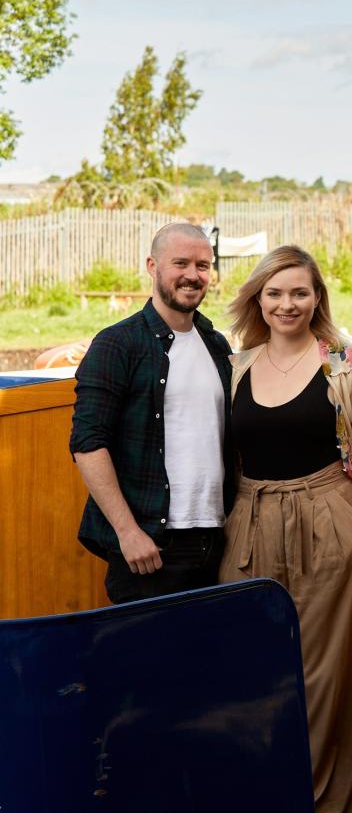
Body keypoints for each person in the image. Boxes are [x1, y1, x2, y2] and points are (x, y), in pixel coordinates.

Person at [218, 245, 352, 813]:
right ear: (258, 300)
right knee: (254, 671)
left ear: (317, 298)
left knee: (322, 679)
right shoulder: (235, 366)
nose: (287, 304)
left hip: (328, 524)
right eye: (275, 293)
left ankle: (324, 803)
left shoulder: (344, 363)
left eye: (299, 292)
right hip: (250, 524)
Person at [71, 222, 233, 603]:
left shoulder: (216, 344)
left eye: (203, 266)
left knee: (208, 660)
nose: (193, 275)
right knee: (145, 661)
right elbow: (87, 443)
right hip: (150, 546)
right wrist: (128, 532)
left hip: (216, 540)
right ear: (152, 266)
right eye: (181, 263)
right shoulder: (118, 343)